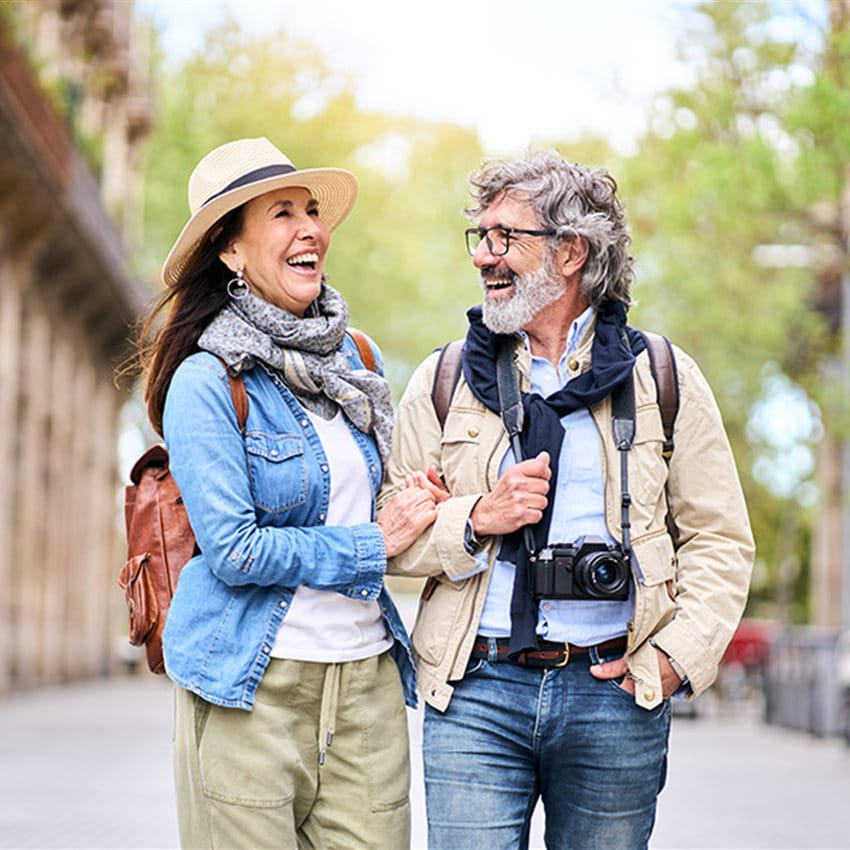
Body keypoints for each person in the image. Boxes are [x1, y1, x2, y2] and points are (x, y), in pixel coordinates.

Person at [383, 150, 755, 849]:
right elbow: (387, 538)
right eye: (480, 236)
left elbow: (720, 540)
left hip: (615, 692)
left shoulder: (662, 377)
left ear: (571, 252)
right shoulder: (445, 378)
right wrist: (476, 519)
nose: (484, 257)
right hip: (475, 692)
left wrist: (674, 658)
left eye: (505, 238)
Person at [135, 137, 435, 849]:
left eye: (312, 211)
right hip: (251, 687)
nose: (311, 229)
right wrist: (374, 541)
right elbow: (234, 549)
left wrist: (424, 502)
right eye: (281, 214)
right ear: (230, 251)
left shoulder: (357, 361)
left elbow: (378, 500)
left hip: (366, 686)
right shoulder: (207, 381)